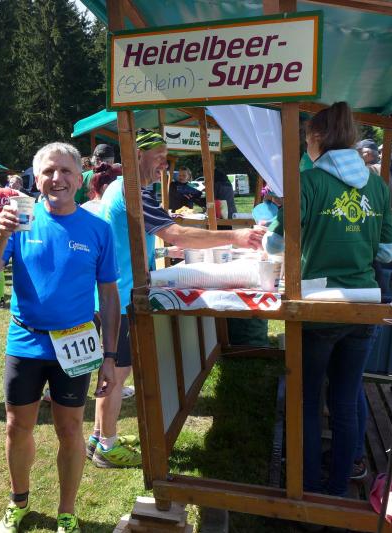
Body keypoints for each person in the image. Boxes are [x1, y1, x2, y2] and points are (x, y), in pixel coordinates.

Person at [93, 129, 264, 469]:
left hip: (116, 291)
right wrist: (236, 237)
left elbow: (134, 235)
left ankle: (99, 436)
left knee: (115, 371)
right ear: (137, 155)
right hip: (121, 295)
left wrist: (160, 249)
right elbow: (177, 233)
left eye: (166, 157)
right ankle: (106, 447)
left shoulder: (124, 187)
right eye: (158, 156)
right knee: (117, 373)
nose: (164, 164)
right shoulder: (131, 190)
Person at [0, 142, 119, 533]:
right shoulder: (20, 219)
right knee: (16, 426)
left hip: (75, 344)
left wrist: (110, 356)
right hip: (26, 341)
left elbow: (109, 295)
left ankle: (66, 511)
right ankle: (18, 501)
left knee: (70, 429)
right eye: (49, 172)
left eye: (66, 171)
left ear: (80, 177)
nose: (58, 179)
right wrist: (0, 234)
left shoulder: (98, 228)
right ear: (36, 179)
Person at [265, 102, 392, 497]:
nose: (306, 146)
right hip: (364, 306)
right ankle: (338, 491)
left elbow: (274, 244)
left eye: (307, 139)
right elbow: (387, 251)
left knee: (306, 402)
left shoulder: (306, 182)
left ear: (318, 137)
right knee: (344, 401)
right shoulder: (378, 185)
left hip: (318, 305)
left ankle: (307, 490)